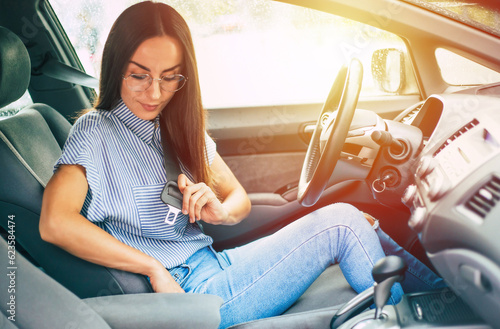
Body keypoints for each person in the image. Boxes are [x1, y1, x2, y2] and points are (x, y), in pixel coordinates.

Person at [39, 2, 444, 328]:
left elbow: (238, 200)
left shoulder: (178, 127)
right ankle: (399, 321)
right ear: (115, 69)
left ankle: (445, 300)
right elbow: (55, 222)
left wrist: (219, 211)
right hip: (192, 290)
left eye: (170, 78)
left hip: (216, 261)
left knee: (360, 220)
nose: (155, 93)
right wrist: (151, 267)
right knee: (342, 222)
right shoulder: (95, 131)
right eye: (138, 76)